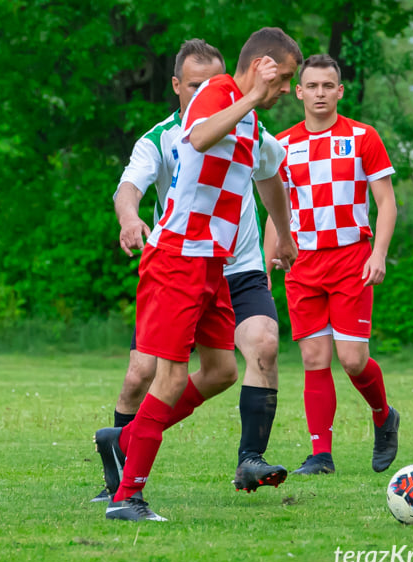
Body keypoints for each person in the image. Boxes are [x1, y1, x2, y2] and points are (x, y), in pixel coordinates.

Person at [99, 28, 302, 522]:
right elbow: (199, 135)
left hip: (213, 263)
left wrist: (285, 232)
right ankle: (128, 497)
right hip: (177, 258)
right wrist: (252, 94)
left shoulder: (253, 123)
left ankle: (123, 439)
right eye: (284, 80)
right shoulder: (218, 93)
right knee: (165, 379)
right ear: (262, 67)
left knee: (221, 371)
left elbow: (271, 177)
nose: (284, 92)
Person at [266, 54, 399, 476]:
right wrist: (267, 260)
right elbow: (275, 209)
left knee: (353, 359)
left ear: (339, 91)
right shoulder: (281, 145)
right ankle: (321, 455)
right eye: (312, 86)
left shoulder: (363, 137)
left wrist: (378, 253)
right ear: (299, 91)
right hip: (303, 263)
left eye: (328, 86)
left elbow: (386, 202)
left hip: (351, 260)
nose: (320, 93)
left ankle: (383, 415)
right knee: (313, 358)